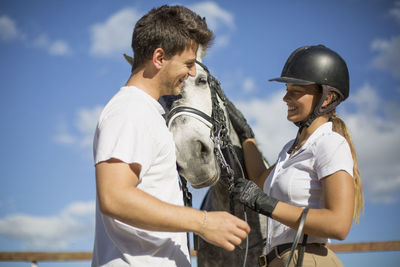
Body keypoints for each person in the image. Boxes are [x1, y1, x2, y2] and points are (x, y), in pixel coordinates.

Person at [91, 5, 250, 267]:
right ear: (159, 57)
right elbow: (115, 197)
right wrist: (204, 222)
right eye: (188, 63)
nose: (191, 72)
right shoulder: (129, 110)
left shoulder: (148, 113)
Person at [227, 45, 364, 267]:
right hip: (278, 260)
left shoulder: (330, 144)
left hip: (307, 259)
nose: (285, 98)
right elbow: (259, 183)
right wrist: (246, 135)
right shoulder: (290, 149)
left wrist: (268, 205)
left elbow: (339, 224)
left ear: (327, 98)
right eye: (286, 89)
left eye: (295, 92)